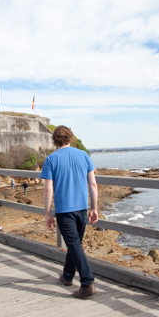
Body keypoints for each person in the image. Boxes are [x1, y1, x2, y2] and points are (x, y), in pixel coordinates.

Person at [41, 125, 99, 299]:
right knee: (75, 245)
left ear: (54, 141)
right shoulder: (83, 155)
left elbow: (48, 189)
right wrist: (94, 208)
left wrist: (47, 213)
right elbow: (93, 184)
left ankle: (87, 283)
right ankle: (67, 276)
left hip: (65, 210)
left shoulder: (51, 159)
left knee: (74, 245)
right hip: (81, 208)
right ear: (70, 138)